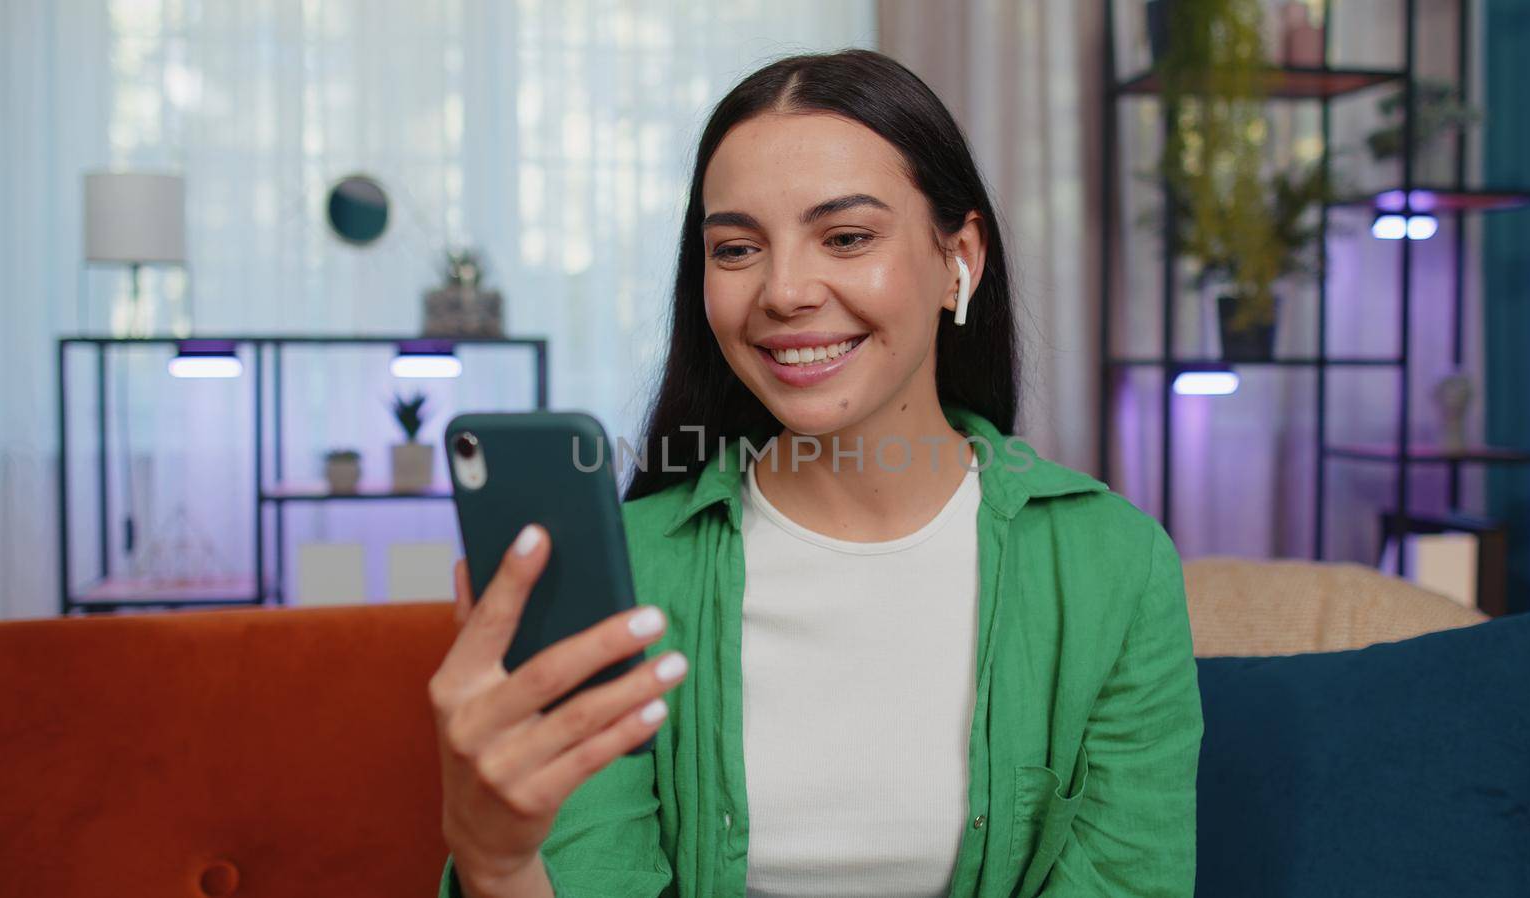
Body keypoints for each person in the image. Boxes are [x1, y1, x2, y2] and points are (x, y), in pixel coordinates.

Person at [428, 48, 1202, 898]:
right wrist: (500, 866)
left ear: (960, 259)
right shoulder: (624, 577)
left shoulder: (1114, 568)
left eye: (846, 237)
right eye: (735, 249)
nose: (785, 290)